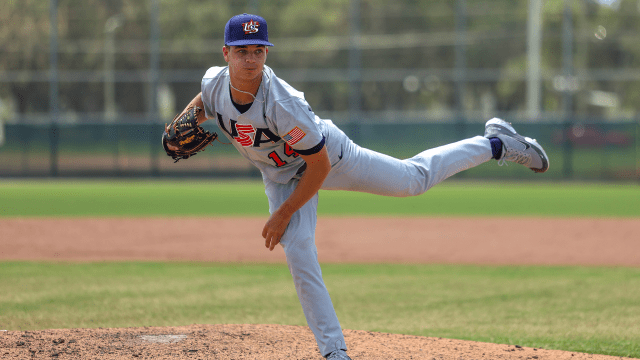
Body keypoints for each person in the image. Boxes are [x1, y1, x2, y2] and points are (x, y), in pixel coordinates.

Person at [174, 13, 549, 360]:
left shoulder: (283, 104)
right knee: (299, 250)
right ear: (226, 53)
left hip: (329, 159)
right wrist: (177, 125)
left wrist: (283, 213)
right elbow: (205, 102)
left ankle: (496, 143)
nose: (251, 59)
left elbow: (317, 166)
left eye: (259, 50)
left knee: (411, 180)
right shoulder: (213, 82)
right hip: (278, 175)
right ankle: (334, 351)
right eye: (242, 51)